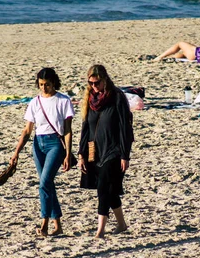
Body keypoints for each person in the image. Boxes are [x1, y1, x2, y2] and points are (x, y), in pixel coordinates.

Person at [9, 67, 75, 237]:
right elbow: (27, 130)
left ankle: (44, 223)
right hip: (38, 143)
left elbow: (68, 130)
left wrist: (68, 153)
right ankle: (58, 225)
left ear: (54, 83)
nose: (44, 88)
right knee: (47, 184)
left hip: (55, 144)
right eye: (40, 85)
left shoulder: (63, 101)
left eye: (47, 84)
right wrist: (16, 152)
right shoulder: (35, 102)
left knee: (44, 183)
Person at [78, 65, 134, 238]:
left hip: (114, 150)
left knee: (103, 187)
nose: (94, 86)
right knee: (110, 190)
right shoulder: (90, 99)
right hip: (95, 150)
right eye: (90, 83)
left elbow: (126, 128)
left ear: (105, 80)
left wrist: (125, 155)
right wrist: (81, 153)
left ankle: (100, 230)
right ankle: (122, 224)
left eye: (97, 83)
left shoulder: (117, 97)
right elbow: (85, 127)